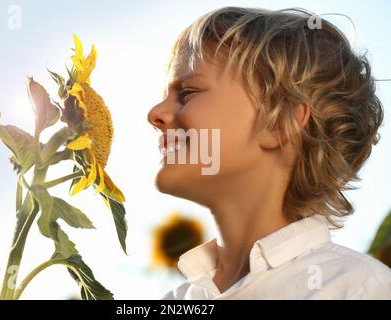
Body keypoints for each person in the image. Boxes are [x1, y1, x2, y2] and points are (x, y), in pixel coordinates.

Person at [147, 6, 390, 299]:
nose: (156, 113)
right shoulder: (178, 299)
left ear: (279, 123)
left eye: (188, 93)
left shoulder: (358, 288)